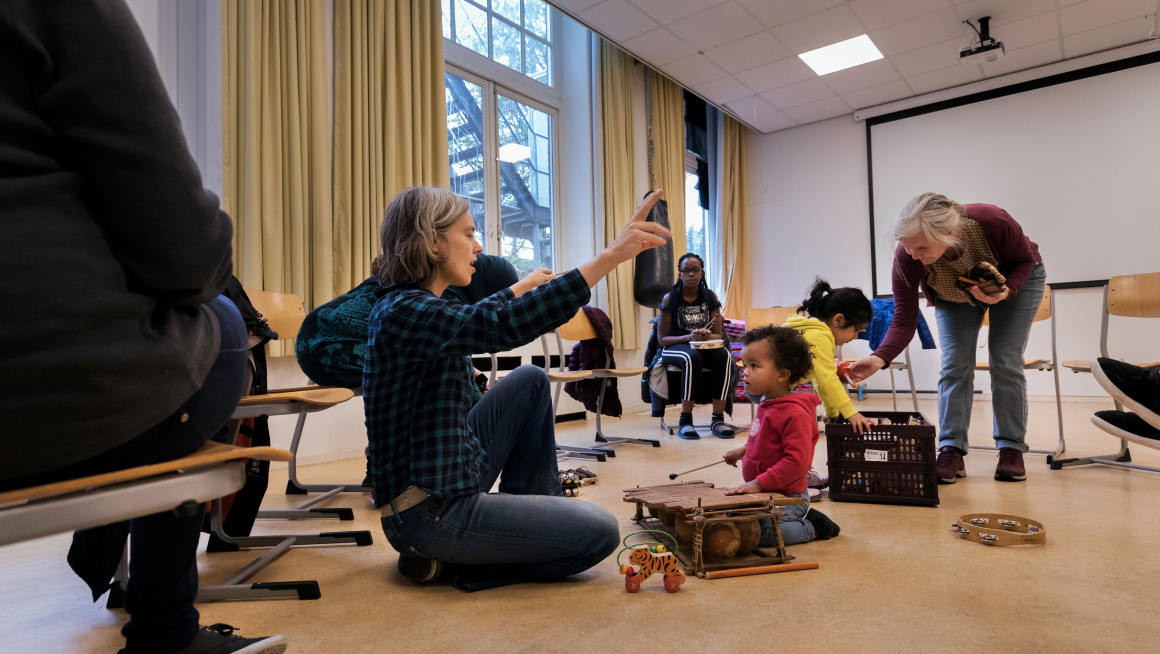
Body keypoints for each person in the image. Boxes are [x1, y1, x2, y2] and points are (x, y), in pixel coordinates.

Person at [0, 1, 283, 652]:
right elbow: (185, 251)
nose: (475, 247)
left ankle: (112, 557)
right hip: (62, 405)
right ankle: (165, 631)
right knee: (221, 325)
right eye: (467, 234)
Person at [366, 186, 669, 591]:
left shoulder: (420, 305)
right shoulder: (405, 311)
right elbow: (498, 325)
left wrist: (523, 287)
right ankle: (449, 561)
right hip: (427, 513)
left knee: (529, 380)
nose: (477, 247)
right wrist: (610, 257)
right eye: (468, 234)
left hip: (446, 475)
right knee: (599, 532)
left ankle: (533, 507)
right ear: (432, 239)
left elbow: (482, 314)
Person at [849, 193, 1046, 484]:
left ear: (951, 233)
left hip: (1018, 280)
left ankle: (1011, 449)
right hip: (953, 295)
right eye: (906, 246)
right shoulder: (908, 256)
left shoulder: (992, 222)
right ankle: (951, 448)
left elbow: (1023, 261)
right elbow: (904, 318)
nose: (913, 254)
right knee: (954, 364)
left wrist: (1006, 292)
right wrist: (879, 358)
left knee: (1005, 362)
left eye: (922, 247)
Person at [296, 253, 522, 388]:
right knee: (442, 370)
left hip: (316, 345)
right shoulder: (433, 294)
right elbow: (451, 353)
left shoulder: (415, 283)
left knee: (442, 368)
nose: (476, 250)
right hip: (325, 349)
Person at [721, 326, 840, 544]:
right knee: (734, 520)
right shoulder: (768, 403)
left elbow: (797, 462)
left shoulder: (794, 414)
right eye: (744, 365)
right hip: (765, 493)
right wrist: (744, 452)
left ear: (783, 374)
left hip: (789, 497)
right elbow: (768, 443)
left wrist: (757, 484)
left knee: (764, 534)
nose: (745, 372)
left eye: (754, 366)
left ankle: (814, 526)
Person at [658, 253, 735, 439]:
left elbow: (718, 334)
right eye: (686, 271)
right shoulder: (671, 299)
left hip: (702, 345)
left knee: (725, 356)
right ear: (680, 275)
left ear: (702, 273)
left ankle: (717, 419)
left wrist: (705, 336)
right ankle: (685, 420)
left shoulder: (709, 296)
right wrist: (688, 336)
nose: (691, 274)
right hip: (675, 346)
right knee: (692, 357)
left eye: (695, 270)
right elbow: (662, 339)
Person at [786, 278, 874, 434]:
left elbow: (820, 377)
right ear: (839, 320)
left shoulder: (813, 331)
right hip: (770, 387)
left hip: (768, 386)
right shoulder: (820, 337)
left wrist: (832, 410)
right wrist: (851, 413)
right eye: (856, 329)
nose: (855, 336)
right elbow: (828, 379)